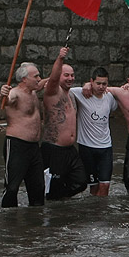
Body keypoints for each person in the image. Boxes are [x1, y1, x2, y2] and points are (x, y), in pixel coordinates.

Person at [40, 46, 87, 200]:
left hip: (70, 150)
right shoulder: (52, 92)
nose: (70, 78)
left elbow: (98, 87)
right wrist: (60, 58)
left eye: (72, 75)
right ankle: (52, 213)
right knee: (52, 190)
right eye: (66, 75)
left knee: (81, 182)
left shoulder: (72, 95)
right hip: (54, 149)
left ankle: (61, 201)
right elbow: (53, 79)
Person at [0, 62, 45, 208]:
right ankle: (8, 221)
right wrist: (2, 94)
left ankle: (35, 224)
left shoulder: (33, 92)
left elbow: (50, 80)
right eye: (36, 76)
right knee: (12, 187)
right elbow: (5, 102)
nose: (39, 79)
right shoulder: (15, 93)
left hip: (34, 147)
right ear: (24, 79)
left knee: (38, 188)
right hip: (17, 145)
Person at [70, 67, 118, 196]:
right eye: (98, 83)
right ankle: (95, 212)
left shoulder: (109, 98)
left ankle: (101, 213)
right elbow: (62, 88)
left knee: (105, 184)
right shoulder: (80, 93)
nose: (101, 87)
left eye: (104, 84)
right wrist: (85, 85)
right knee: (93, 185)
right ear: (91, 81)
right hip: (87, 147)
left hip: (105, 147)